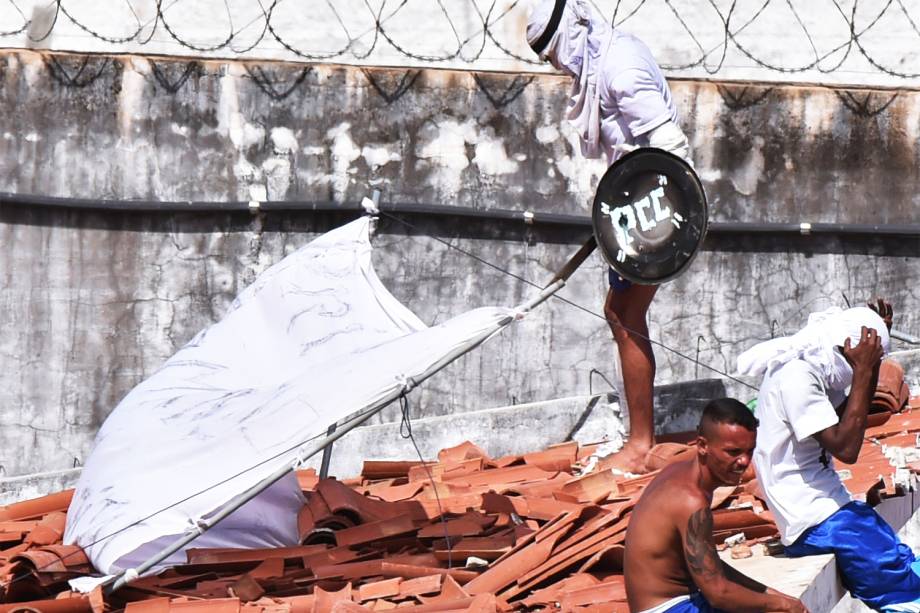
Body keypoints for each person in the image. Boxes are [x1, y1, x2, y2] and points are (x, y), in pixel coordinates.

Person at [526, 0, 693, 474]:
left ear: (572, 31)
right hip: (633, 212)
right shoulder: (606, 64)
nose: (554, 63)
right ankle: (638, 436)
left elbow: (668, 146)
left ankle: (641, 443)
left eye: (553, 50)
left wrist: (647, 222)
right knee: (621, 313)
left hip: (656, 214)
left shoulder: (620, 67)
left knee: (623, 312)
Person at [737, 302, 920, 612]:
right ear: (844, 350)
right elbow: (846, 448)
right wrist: (864, 371)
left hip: (830, 508)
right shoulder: (796, 376)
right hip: (810, 520)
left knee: (898, 556)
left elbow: (849, 414)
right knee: (899, 587)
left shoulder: (820, 366)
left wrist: (872, 362)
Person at [624, 398, 807, 613]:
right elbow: (719, 595)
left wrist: (770, 593)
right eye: (733, 452)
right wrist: (784, 605)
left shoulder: (681, 473)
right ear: (702, 446)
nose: (744, 462)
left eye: (750, 451)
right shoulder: (691, 501)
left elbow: (711, 568)